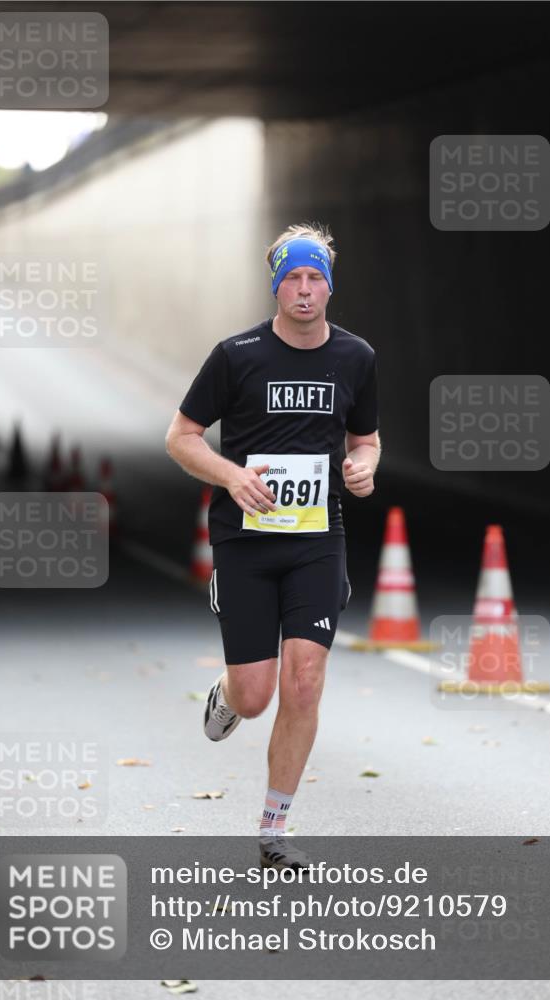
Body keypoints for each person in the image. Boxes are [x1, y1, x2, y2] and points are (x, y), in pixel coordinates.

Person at [165, 223, 381, 870]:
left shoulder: (356, 358)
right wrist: (231, 476)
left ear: (330, 285)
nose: (305, 290)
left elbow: (365, 438)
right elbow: (180, 436)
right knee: (256, 696)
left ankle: (273, 830)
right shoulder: (237, 355)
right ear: (276, 284)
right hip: (244, 541)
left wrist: (364, 466)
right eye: (293, 278)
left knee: (306, 682)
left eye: (316, 278)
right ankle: (228, 692)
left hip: (318, 540)